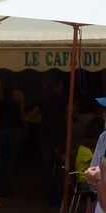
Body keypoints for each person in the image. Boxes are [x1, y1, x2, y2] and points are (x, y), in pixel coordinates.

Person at [0, 70, 26, 196]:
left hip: (2, 128)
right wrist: (25, 130)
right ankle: (5, 188)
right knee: (11, 159)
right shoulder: (19, 94)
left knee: (2, 158)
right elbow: (22, 114)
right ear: (15, 82)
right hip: (15, 129)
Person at [37, 76, 67, 205]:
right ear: (58, 84)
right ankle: (59, 196)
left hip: (45, 134)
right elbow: (68, 112)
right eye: (61, 84)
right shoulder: (62, 98)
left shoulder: (43, 97)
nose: (63, 86)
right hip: (59, 136)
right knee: (60, 166)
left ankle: (49, 195)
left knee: (48, 166)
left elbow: (33, 114)